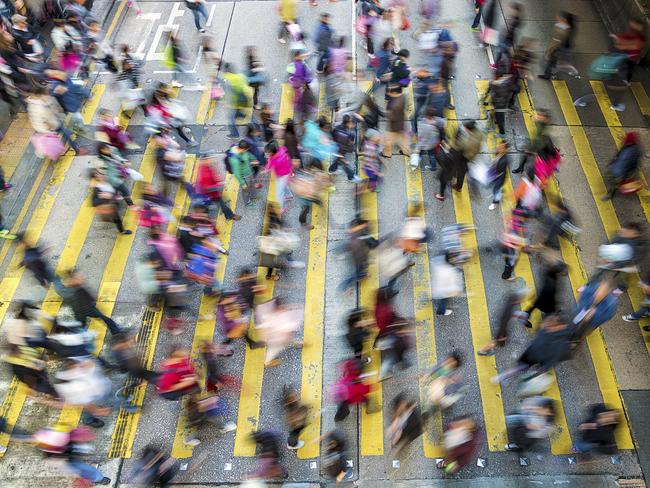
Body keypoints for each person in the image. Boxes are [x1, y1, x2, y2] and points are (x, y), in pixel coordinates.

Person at [54, 269, 124, 335]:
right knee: (102, 319)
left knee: (102, 319)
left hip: (83, 310)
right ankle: (116, 331)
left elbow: (59, 288)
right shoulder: (71, 291)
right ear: (71, 280)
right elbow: (60, 288)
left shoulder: (73, 288)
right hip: (85, 310)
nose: (81, 277)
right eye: (77, 277)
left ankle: (116, 331)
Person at [477, 288, 528, 356]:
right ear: (518, 299)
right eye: (522, 298)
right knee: (495, 341)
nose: (523, 300)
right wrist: (502, 335)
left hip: (502, 325)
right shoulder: (509, 311)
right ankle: (482, 350)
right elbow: (504, 322)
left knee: (499, 341)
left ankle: (485, 349)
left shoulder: (511, 299)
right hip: (502, 328)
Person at [519, 264, 565, 328]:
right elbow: (551, 296)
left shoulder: (549, 273)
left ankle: (524, 316)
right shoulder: (552, 283)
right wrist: (555, 306)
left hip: (541, 298)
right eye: (562, 272)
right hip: (546, 302)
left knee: (534, 306)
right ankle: (546, 327)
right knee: (551, 313)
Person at [602, 132, 642, 200]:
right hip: (616, 166)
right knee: (608, 176)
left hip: (622, 171)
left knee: (614, 182)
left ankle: (610, 194)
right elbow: (618, 153)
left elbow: (633, 164)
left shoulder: (635, 152)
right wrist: (612, 161)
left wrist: (628, 174)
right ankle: (615, 187)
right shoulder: (626, 145)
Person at [538, 11, 576, 80]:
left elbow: (555, 43)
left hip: (557, 49)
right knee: (553, 61)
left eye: (559, 17)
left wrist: (548, 52)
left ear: (564, 19)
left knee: (550, 62)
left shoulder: (561, 29)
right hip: (562, 48)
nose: (557, 18)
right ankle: (554, 69)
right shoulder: (568, 27)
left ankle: (547, 75)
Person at [513, 108, 550, 173]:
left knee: (528, 157)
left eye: (541, 115)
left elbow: (538, 139)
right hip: (532, 143)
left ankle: (523, 169)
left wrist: (531, 149)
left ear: (544, 118)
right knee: (525, 156)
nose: (538, 116)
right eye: (539, 114)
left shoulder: (541, 127)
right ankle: (521, 167)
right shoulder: (540, 123)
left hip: (535, 146)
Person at [222, 63, 252, 139]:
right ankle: (241, 115)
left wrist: (226, 102)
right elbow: (246, 84)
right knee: (236, 113)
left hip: (235, 102)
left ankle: (234, 134)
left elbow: (228, 92)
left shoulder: (227, 78)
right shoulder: (240, 76)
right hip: (244, 100)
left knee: (230, 119)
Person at [611, 17, 646, 82]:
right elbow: (625, 37)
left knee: (628, 68)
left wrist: (621, 45)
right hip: (626, 55)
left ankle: (626, 80)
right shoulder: (632, 34)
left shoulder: (640, 38)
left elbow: (634, 46)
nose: (631, 30)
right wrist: (618, 38)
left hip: (631, 57)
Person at [451, 120, 483, 192]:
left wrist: (453, 144)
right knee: (461, 169)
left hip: (464, 156)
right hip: (470, 155)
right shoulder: (479, 133)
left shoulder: (469, 142)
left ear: (468, 129)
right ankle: (458, 185)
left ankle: (458, 185)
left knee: (461, 170)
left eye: (465, 127)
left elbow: (459, 145)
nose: (463, 128)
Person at [381, 85, 410, 158]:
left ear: (394, 92)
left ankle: (387, 153)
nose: (388, 93)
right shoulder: (403, 96)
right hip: (402, 123)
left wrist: (384, 113)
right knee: (404, 139)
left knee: (387, 140)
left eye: (390, 92)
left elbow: (392, 117)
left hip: (394, 126)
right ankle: (406, 151)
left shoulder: (395, 106)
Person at [264, 141, 294, 212]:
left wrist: (266, 169)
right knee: (284, 186)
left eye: (268, 152)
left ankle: (282, 208)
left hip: (283, 175)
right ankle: (289, 196)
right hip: (283, 173)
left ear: (273, 151)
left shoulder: (278, 160)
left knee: (278, 194)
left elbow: (271, 163)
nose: (267, 153)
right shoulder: (281, 149)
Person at [228, 139, 258, 207]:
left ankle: (253, 196)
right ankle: (248, 203)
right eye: (246, 150)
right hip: (244, 176)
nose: (247, 151)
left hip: (250, 171)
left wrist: (253, 159)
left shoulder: (242, 149)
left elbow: (248, 154)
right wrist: (242, 183)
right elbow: (237, 173)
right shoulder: (234, 160)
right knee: (245, 190)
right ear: (242, 149)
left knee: (252, 184)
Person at [416, 106, 441, 171]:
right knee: (432, 155)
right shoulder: (437, 120)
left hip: (424, 143)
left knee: (420, 152)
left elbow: (421, 134)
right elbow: (443, 123)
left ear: (426, 115)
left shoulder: (423, 123)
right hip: (433, 143)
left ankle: (418, 160)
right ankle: (433, 167)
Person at [488, 140, 510, 210]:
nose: (499, 147)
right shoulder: (498, 152)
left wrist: (492, 176)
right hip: (496, 175)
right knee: (496, 188)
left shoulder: (505, 160)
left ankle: (495, 202)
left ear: (505, 149)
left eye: (502, 147)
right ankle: (500, 192)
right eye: (500, 145)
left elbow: (500, 171)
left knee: (495, 190)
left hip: (499, 178)